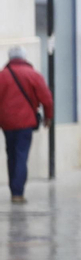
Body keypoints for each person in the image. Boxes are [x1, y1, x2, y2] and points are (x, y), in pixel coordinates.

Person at [0, 47, 52, 205]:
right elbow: (47, 98)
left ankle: (13, 188)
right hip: (25, 123)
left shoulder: (2, 76)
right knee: (21, 154)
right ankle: (18, 192)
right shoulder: (33, 74)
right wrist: (48, 117)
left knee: (11, 155)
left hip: (6, 123)